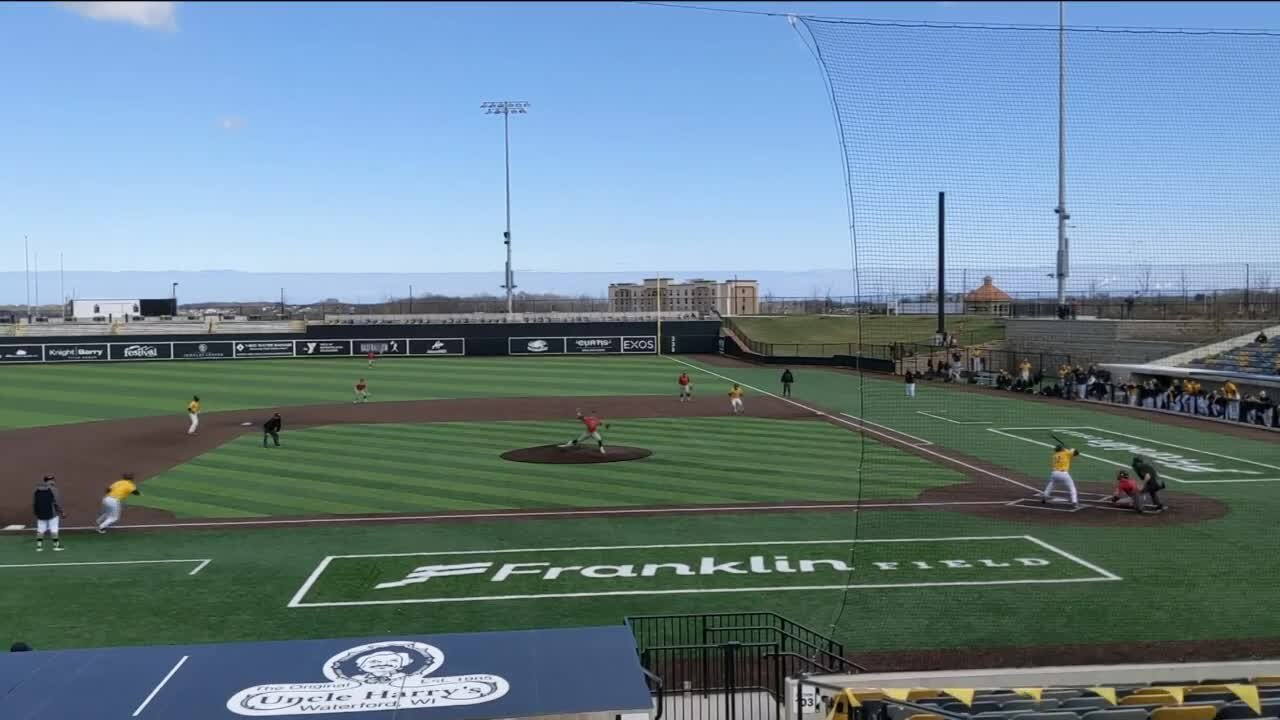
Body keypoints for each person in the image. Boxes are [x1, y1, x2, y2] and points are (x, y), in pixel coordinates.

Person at [1042, 443, 1080, 508]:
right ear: (1062, 449)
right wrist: (1072, 449)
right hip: (1064, 474)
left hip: (1054, 473)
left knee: (1051, 485)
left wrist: (1070, 450)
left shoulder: (1055, 455)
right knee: (1072, 487)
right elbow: (1077, 453)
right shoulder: (1067, 453)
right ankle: (1074, 502)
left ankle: (1044, 498)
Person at [32, 475, 65, 552]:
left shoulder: (36, 490)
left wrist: (36, 513)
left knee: (40, 530)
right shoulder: (54, 489)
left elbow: (34, 502)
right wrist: (62, 512)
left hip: (40, 514)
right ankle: (56, 546)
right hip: (52, 514)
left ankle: (39, 547)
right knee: (54, 529)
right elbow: (57, 503)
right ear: (52, 481)